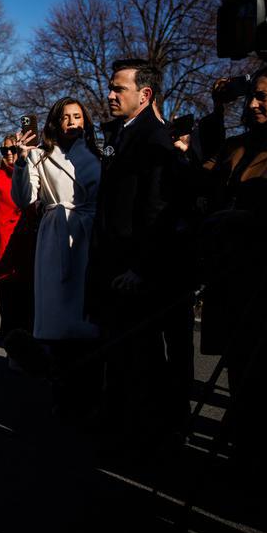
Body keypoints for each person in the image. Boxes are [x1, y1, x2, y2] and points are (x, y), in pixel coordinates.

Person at [88, 58, 181, 442]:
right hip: (113, 266)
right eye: (110, 87)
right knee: (118, 359)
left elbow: (159, 210)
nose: (109, 95)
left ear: (145, 95)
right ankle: (119, 431)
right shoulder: (121, 135)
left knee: (138, 363)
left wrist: (141, 268)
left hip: (133, 274)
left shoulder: (154, 140)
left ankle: (139, 443)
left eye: (118, 88)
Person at [199, 66, 267, 469]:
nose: (253, 103)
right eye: (251, 96)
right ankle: (244, 460)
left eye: (263, 95)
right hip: (232, 282)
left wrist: (248, 220)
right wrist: (216, 109)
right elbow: (203, 172)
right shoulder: (240, 145)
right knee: (239, 372)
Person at [11, 98, 101, 418]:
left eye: (78, 116)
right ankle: (61, 389)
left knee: (89, 321)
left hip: (89, 238)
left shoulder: (100, 154)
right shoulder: (39, 156)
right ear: (54, 122)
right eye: (65, 117)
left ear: (86, 122)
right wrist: (22, 160)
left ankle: (88, 393)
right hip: (55, 238)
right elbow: (24, 199)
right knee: (60, 322)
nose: (72, 122)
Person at [0, 135, 33, 341]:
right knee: (8, 293)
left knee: (30, 294)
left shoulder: (33, 172)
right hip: (5, 244)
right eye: (4, 151)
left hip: (32, 242)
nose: (9, 154)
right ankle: (11, 341)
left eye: (13, 149)